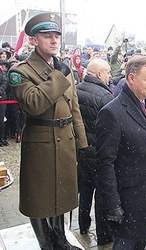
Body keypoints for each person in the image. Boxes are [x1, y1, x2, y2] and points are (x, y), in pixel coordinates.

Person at [8, 12, 87, 249]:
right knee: (40, 197)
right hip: (40, 142)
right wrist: (57, 76)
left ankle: (60, 239)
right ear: (33, 40)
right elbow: (34, 104)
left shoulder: (62, 69)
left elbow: (74, 108)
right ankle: (46, 243)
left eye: (56, 36)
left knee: (62, 194)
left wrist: (81, 143)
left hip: (65, 139)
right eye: (47, 36)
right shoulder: (20, 71)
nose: (54, 41)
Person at [94, 55, 146, 249]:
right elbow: (104, 162)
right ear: (131, 78)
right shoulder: (112, 112)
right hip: (127, 201)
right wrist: (112, 203)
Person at [76, 59, 114, 246]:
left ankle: (83, 225)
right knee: (101, 195)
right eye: (108, 73)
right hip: (99, 153)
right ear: (99, 74)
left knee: (85, 190)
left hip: (82, 151)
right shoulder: (105, 96)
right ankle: (104, 235)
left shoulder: (76, 89)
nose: (110, 76)